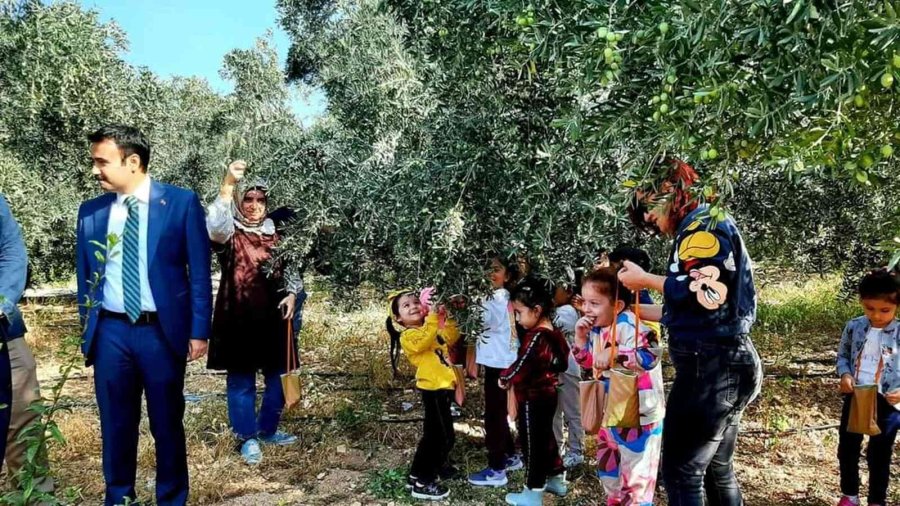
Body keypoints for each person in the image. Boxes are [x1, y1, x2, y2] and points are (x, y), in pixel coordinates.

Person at [76, 125, 212, 506]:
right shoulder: (91, 212)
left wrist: (199, 330)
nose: (95, 170)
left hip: (160, 334)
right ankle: (120, 498)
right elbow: (85, 277)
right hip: (110, 334)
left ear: (132, 161)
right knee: (116, 426)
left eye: (102, 161)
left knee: (167, 425)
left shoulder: (181, 203)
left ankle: (172, 499)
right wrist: (88, 331)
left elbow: (199, 273)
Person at [618, 158, 762, 506]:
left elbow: (708, 293)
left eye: (647, 205)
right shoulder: (708, 221)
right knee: (716, 469)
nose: (648, 218)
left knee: (682, 472)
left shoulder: (701, 230)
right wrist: (625, 310)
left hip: (710, 366)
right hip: (727, 361)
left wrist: (645, 280)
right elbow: (691, 307)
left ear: (668, 188)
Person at [205, 160, 301, 465]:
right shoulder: (229, 232)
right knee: (241, 380)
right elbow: (214, 224)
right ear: (239, 200)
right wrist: (228, 184)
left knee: (279, 377)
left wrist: (292, 293)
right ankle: (246, 437)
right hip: (238, 316)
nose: (254, 205)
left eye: (261, 199)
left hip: (275, 317)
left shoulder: (277, 232)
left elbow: (292, 268)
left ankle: (267, 429)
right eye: (248, 198)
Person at [572, 267, 665, 505]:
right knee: (610, 473)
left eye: (594, 303)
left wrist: (616, 353)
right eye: (585, 302)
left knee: (636, 481)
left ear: (618, 306)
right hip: (612, 411)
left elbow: (651, 355)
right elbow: (591, 362)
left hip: (639, 416)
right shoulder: (598, 328)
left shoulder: (630, 325)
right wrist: (581, 339)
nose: (587, 309)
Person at [0, 194, 54, 499]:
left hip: (4, 331)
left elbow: (11, 253)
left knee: (23, 418)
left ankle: (35, 497)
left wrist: (1, 303)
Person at [500, 277, 569, 506]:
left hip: (533, 397)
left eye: (519, 313)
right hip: (549, 394)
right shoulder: (554, 333)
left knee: (532, 444)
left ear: (536, 310)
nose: (518, 320)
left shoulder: (536, 337)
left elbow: (523, 363)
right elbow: (562, 363)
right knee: (545, 437)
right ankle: (556, 479)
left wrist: (505, 377)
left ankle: (532, 491)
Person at [387, 290, 460, 501]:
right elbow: (423, 341)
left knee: (435, 435)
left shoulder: (430, 326)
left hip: (444, 387)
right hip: (432, 390)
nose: (413, 307)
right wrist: (433, 316)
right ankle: (424, 482)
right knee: (440, 437)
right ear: (398, 318)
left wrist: (446, 316)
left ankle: (417, 473)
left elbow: (450, 337)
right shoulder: (408, 336)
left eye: (415, 302)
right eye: (406, 306)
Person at [835, 269, 900, 506]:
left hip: (888, 401)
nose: (877, 315)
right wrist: (845, 374)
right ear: (862, 302)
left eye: (885, 310)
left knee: (879, 454)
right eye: (870, 308)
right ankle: (850, 495)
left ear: (896, 306)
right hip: (857, 395)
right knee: (847, 448)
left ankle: (876, 500)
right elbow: (843, 355)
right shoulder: (854, 326)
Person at [468, 255, 523, 488]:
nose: (489, 273)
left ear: (507, 275)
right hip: (505, 360)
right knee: (499, 412)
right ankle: (509, 455)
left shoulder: (493, 298)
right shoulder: (506, 296)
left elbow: (481, 321)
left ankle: (497, 470)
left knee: (493, 416)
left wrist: (469, 304)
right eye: (485, 268)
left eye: (496, 269)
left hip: (498, 363)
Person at [551, 279, 585, 468]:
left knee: (572, 411)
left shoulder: (568, 312)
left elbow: (551, 324)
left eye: (555, 288)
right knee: (554, 412)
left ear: (568, 291)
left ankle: (576, 450)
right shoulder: (559, 310)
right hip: (553, 368)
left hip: (568, 368)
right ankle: (557, 448)